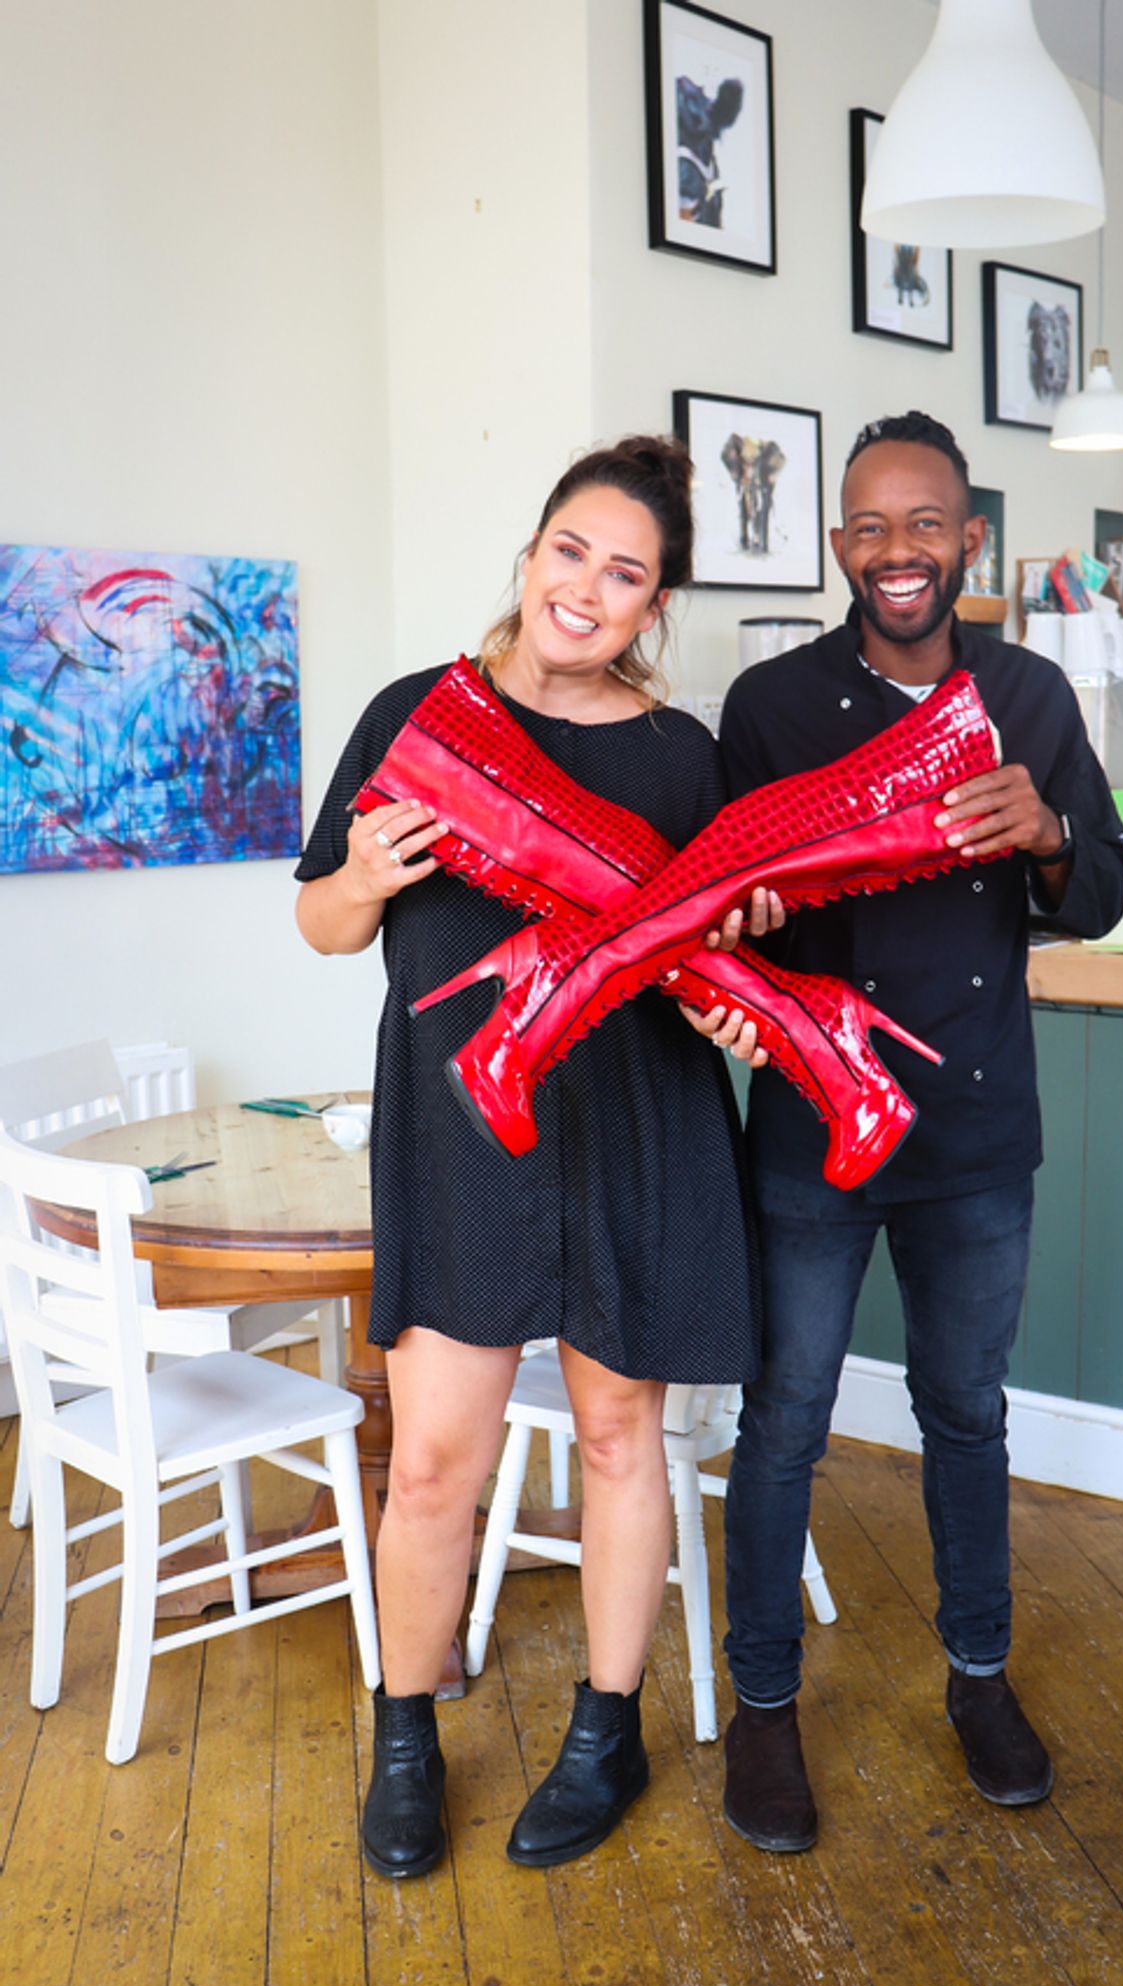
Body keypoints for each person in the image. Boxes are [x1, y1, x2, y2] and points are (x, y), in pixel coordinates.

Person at [294, 436, 772, 1879]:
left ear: (653, 605)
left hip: (635, 1127)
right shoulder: (417, 713)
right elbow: (322, 921)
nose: (586, 587)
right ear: (530, 553)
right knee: (436, 1461)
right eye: (571, 550)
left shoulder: (679, 757)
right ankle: (403, 1737)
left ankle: (607, 1732)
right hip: (462, 1142)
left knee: (628, 1440)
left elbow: (712, 963)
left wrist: (743, 986)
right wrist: (366, 877)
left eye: (624, 573)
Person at [709, 411, 1123, 1853]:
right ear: (842, 546)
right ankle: (763, 1711)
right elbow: (720, 914)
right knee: (786, 1425)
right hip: (813, 1124)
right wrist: (744, 925)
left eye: (925, 524)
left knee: (968, 1413)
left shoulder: (1030, 695)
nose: (899, 551)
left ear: (968, 539)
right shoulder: (767, 706)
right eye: (872, 527)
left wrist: (1054, 836)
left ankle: (978, 1680)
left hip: (971, 1126)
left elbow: (1102, 896)